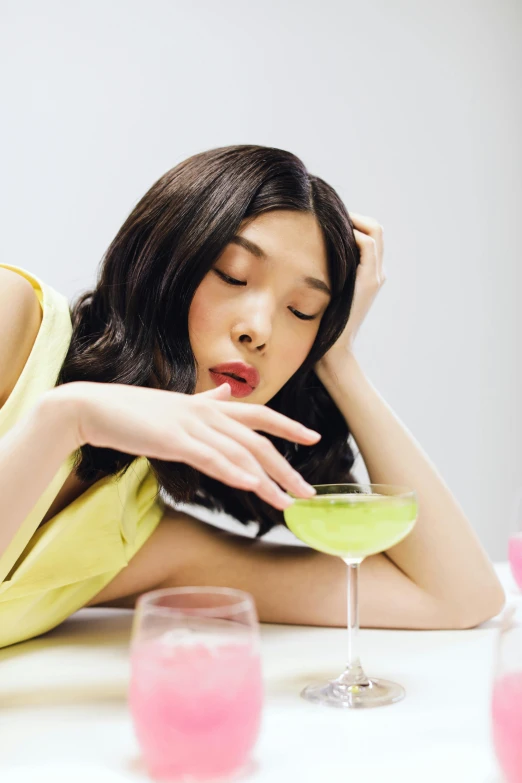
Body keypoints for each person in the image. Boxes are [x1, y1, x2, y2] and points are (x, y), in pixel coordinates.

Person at [0, 144, 504, 648]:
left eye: (302, 311)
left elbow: (458, 596)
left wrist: (337, 359)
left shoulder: (126, 540)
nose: (260, 331)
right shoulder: (14, 319)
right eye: (233, 275)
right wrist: (64, 419)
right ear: (159, 260)